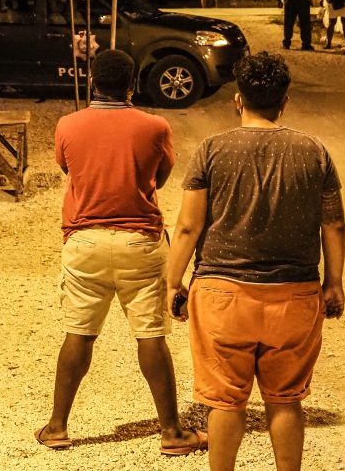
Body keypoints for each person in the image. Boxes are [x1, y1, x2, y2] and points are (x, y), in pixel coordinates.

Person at [166, 52, 345, 471]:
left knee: (225, 402)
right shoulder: (314, 151)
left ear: (238, 99)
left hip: (222, 296)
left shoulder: (211, 150)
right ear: (285, 100)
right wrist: (334, 283)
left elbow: (189, 227)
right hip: (294, 296)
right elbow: (333, 225)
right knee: (285, 401)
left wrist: (174, 281)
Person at [35, 50, 206, 456]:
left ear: (93, 81)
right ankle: (171, 432)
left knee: (78, 332)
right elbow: (159, 177)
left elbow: (68, 170)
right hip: (139, 241)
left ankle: (58, 426)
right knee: (150, 334)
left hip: (84, 240)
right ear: (132, 84)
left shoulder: (67, 125)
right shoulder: (155, 126)